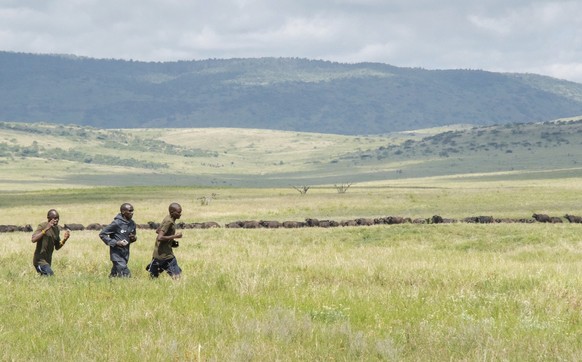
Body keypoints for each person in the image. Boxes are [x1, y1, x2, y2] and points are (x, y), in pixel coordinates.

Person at [99, 203, 137, 278]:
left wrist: (133, 238)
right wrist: (116, 242)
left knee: (115, 273)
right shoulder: (116, 223)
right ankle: (129, 286)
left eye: (132, 211)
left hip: (125, 253)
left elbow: (133, 237)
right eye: (130, 211)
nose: (132, 213)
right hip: (116, 254)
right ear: (123, 212)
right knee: (125, 273)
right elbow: (102, 234)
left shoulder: (132, 223)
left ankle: (110, 283)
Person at [147, 202, 183, 279]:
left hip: (159, 254)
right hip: (165, 255)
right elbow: (159, 237)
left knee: (153, 277)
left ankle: (152, 267)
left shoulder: (168, 218)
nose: (180, 214)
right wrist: (175, 236)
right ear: (172, 212)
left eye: (181, 212)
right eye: (179, 212)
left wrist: (171, 242)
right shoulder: (169, 222)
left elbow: (158, 230)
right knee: (177, 276)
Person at [31, 209, 70, 276]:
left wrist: (64, 240)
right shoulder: (42, 226)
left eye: (58, 218)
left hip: (48, 261)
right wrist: (46, 229)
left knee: (46, 280)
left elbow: (57, 247)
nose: (57, 220)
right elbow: (33, 239)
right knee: (50, 275)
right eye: (54, 218)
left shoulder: (57, 229)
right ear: (48, 218)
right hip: (39, 261)